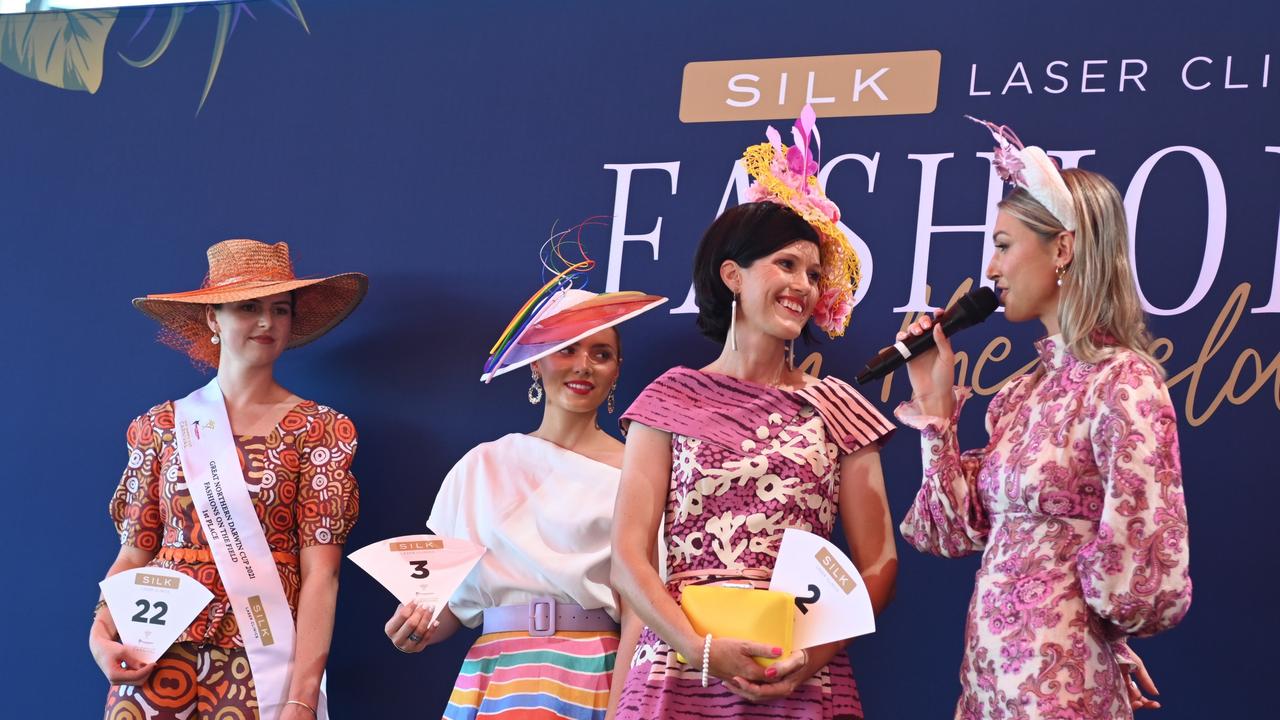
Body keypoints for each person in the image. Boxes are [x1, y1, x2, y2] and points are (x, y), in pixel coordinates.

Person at [895, 118, 1192, 719]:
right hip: (987, 683)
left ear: (1062, 248)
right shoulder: (1018, 396)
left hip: (1062, 688)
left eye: (1004, 245)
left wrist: (1090, 625)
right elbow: (947, 533)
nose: (992, 269)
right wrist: (934, 404)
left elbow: (1146, 574)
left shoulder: (1122, 383)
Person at [610, 107, 897, 719]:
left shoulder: (840, 408)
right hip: (678, 672)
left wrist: (807, 660)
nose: (803, 284)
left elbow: (878, 566)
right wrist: (700, 649)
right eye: (786, 265)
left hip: (801, 678)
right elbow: (629, 557)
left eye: (815, 273)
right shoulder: (670, 398)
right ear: (733, 276)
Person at [383, 221, 667, 720]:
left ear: (617, 370)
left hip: (593, 675)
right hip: (495, 674)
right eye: (567, 349)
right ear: (535, 363)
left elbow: (640, 618)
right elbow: (447, 608)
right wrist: (417, 626)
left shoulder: (636, 474)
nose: (583, 365)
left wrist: (625, 709)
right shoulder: (481, 466)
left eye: (601, 354)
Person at [91, 238, 368, 720]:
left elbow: (322, 575)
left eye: (279, 309)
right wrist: (99, 632)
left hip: (260, 658)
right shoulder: (159, 427)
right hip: (153, 650)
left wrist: (303, 695)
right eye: (248, 307)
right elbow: (134, 552)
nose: (267, 322)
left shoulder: (321, 429)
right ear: (212, 318)